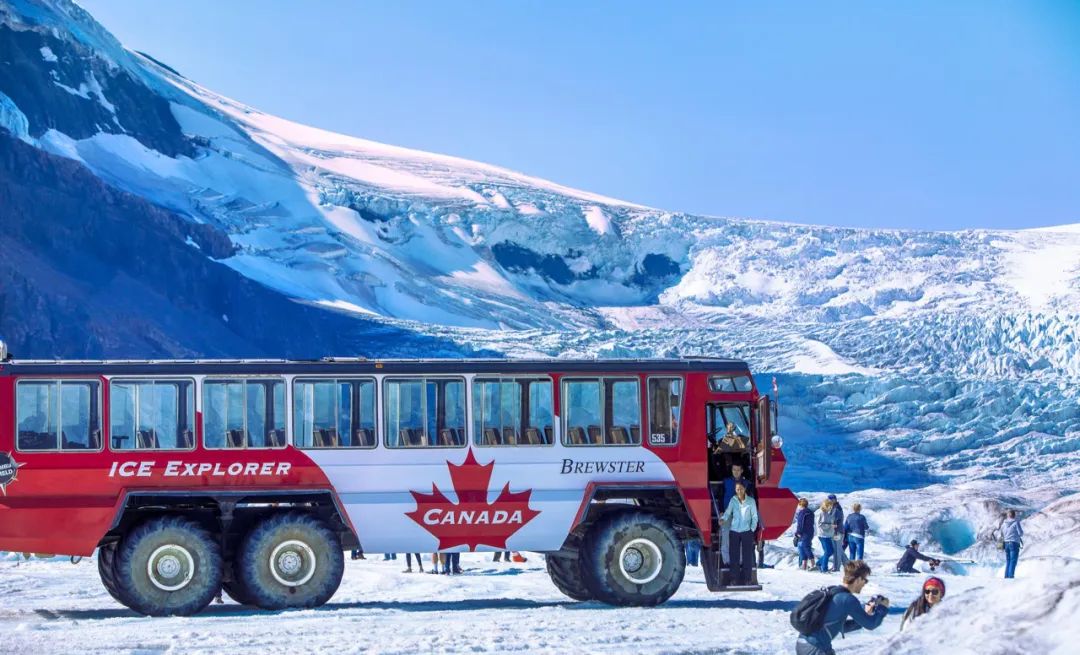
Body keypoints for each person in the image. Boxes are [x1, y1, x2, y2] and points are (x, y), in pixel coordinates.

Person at [795, 560, 889, 655]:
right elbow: (871, 624)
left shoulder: (833, 591)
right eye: (865, 580)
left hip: (805, 644)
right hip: (816, 648)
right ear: (858, 579)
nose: (865, 584)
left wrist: (864, 617)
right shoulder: (847, 599)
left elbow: (840, 626)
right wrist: (882, 607)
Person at [720, 481, 759, 586]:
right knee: (734, 556)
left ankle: (747, 579)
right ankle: (734, 579)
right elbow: (728, 512)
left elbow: (755, 516)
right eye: (737, 489)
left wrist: (752, 529)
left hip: (747, 531)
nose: (739, 491)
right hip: (734, 531)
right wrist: (723, 519)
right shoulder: (733, 500)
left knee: (747, 556)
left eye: (741, 489)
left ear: (744, 489)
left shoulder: (751, 501)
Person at [794, 498, 816, 571]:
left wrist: (798, 532)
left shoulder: (802, 513)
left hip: (803, 533)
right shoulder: (811, 512)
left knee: (805, 548)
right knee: (804, 547)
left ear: (800, 504)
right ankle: (804, 566)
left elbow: (800, 523)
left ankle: (812, 565)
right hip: (810, 532)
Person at [816, 499, 837, 573]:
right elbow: (820, 525)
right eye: (829, 506)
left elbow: (828, 522)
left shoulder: (827, 513)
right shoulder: (820, 513)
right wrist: (831, 526)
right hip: (823, 535)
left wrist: (832, 526)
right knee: (828, 551)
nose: (831, 508)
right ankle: (824, 568)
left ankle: (819, 563)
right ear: (826, 506)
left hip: (828, 535)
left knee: (829, 551)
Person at [1002, 509, 1023, 579]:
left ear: (1008, 515)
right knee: (1013, 561)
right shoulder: (1016, 523)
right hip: (1014, 543)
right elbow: (1021, 533)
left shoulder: (1004, 523)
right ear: (1014, 515)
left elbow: (1002, 533)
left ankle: (1006, 576)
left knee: (1008, 560)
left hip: (1006, 543)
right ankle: (1010, 577)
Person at [827, 494, 844, 571]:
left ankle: (836, 568)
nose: (828, 501)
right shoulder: (834, 507)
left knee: (837, 550)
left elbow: (834, 521)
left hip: (837, 532)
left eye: (830, 499)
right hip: (836, 532)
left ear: (834, 500)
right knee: (838, 550)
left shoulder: (836, 509)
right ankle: (847, 565)